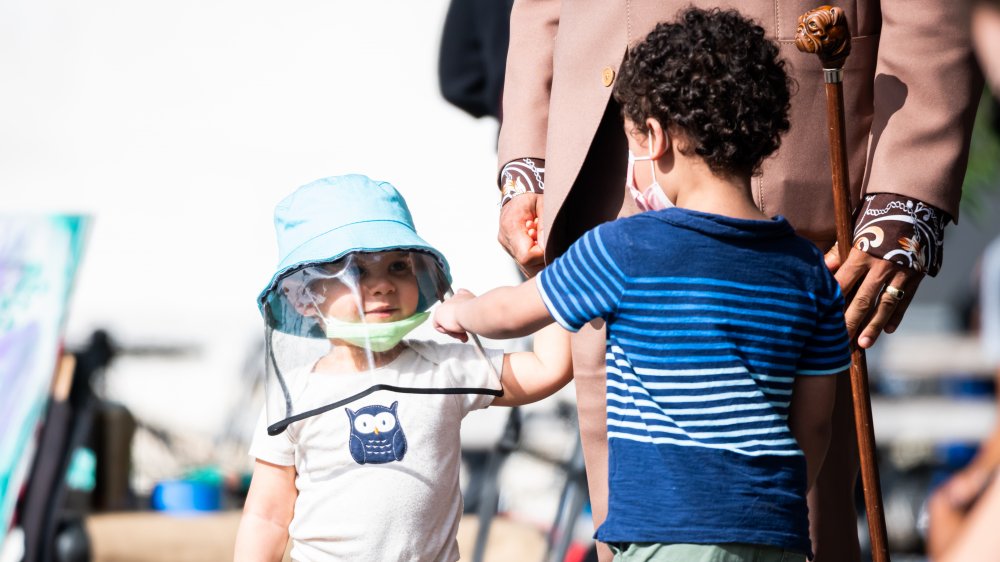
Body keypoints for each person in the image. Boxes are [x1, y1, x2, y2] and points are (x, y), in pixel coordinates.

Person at [495, 2, 982, 560]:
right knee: (632, 518)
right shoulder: (608, 248)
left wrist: (906, 199)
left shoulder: (797, 269)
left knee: (803, 527)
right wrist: (529, 162)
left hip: (791, 187)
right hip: (605, 166)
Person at [435, 10, 851, 561]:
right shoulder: (808, 271)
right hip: (773, 535)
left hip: (667, 534)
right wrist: (773, 504)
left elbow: (514, 312)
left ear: (654, 138)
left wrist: (463, 311)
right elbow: (817, 424)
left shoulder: (623, 249)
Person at [233, 174, 572, 561]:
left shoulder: (442, 368)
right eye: (356, 271)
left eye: (398, 267)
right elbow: (268, 517)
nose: (383, 286)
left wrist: (543, 271)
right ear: (303, 297)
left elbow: (548, 368)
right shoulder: (293, 396)